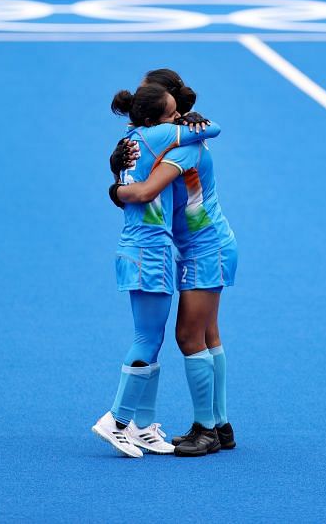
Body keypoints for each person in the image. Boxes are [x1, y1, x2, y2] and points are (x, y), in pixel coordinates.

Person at [92, 83, 221, 458]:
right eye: (172, 114)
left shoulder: (130, 141)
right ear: (154, 120)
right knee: (147, 339)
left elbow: (124, 186)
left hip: (135, 246)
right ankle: (116, 420)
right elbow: (212, 128)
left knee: (151, 336)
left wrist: (115, 189)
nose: (178, 118)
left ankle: (143, 427)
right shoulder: (158, 135)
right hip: (151, 250)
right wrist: (196, 121)